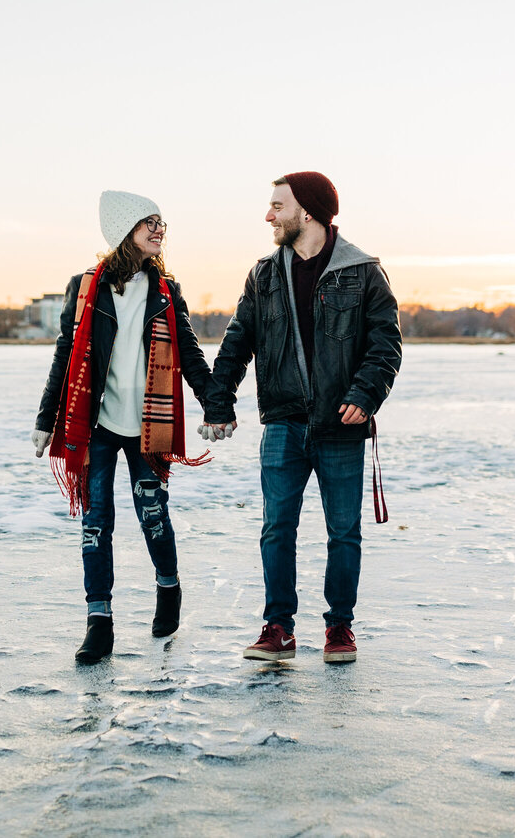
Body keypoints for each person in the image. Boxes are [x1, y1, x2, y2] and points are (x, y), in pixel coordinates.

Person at [202, 172, 402, 663]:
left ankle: (340, 629)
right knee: (276, 529)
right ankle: (278, 628)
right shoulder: (264, 273)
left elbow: (385, 344)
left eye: (277, 206)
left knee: (344, 532)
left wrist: (365, 394)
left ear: (306, 211)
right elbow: (237, 342)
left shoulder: (364, 272)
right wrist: (219, 402)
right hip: (284, 423)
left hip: (342, 424)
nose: (268, 216)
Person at [34, 190, 221, 664]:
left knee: (152, 515)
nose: (159, 231)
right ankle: (99, 624)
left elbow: (191, 354)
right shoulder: (85, 288)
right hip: (96, 423)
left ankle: (168, 588)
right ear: (124, 231)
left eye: (162, 224)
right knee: (96, 524)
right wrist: (45, 419)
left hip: (146, 424)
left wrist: (214, 405)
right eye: (149, 223)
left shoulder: (165, 291)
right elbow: (64, 354)